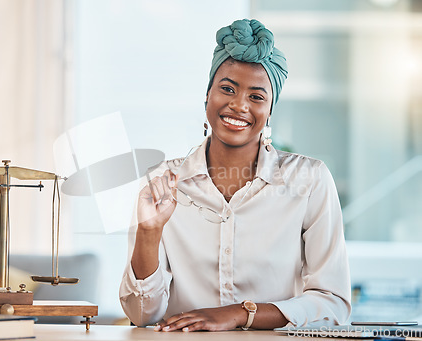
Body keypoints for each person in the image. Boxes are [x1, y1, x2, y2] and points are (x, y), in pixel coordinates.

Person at [119, 18, 351, 332]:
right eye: (227, 88)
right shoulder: (164, 181)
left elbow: (333, 302)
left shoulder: (309, 180)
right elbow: (142, 314)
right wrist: (149, 232)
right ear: (207, 96)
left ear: (270, 111)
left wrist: (241, 314)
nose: (238, 105)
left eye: (256, 97)